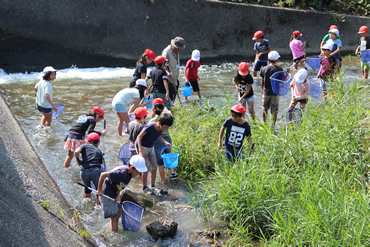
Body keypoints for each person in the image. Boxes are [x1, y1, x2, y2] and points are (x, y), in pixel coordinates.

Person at [96, 155, 147, 232]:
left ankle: (112, 225)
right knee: (114, 216)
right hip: (106, 194)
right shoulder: (121, 173)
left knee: (120, 210)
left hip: (114, 193)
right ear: (131, 168)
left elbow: (120, 185)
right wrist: (99, 190)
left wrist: (118, 196)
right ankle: (115, 234)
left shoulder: (130, 174)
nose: (139, 173)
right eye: (138, 171)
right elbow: (103, 175)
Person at [136, 113, 173, 195]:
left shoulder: (160, 129)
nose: (165, 129)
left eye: (167, 128)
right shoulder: (150, 126)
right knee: (145, 168)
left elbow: (158, 136)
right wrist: (140, 151)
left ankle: (152, 186)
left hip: (150, 147)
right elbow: (138, 137)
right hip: (142, 146)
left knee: (154, 166)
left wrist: (165, 142)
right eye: (164, 127)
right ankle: (144, 187)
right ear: (159, 123)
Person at [149, 98, 177, 183]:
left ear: (154, 109)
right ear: (163, 107)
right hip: (168, 140)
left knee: (160, 162)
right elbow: (174, 121)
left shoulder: (153, 121)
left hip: (159, 141)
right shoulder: (167, 117)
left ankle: (163, 180)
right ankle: (172, 173)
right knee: (169, 157)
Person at [260, 51, 291, 125]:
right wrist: (287, 73)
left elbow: (262, 80)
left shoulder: (264, 68)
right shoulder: (279, 69)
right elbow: (282, 80)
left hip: (266, 92)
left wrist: (262, 89)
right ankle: (272, 126)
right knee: (274, 111)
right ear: (277, 60)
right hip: (275, 93)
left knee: (265, 109)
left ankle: (264, 124)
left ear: (268, 59)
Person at [74, 132, 103, 206]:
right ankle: (97, 206)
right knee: (98, 190)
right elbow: (100, 164)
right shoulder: (99, 151)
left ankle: (88, 204)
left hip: (84, 170)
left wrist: (78, 160)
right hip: (95, 170)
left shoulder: (84, 146)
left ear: (87, 141)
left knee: (86, 188)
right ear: (98, 143)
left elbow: (76, 151)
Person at [162, 36, 185, 101]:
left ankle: (171, 110)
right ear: (174, 46)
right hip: (169, 80)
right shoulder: (166, 52)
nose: (180, 50)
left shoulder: (176, 51)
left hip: (175, 79)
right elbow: (162, 66)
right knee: (167, 98)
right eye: (179, 48)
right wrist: (168, 73)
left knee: (173, 97)